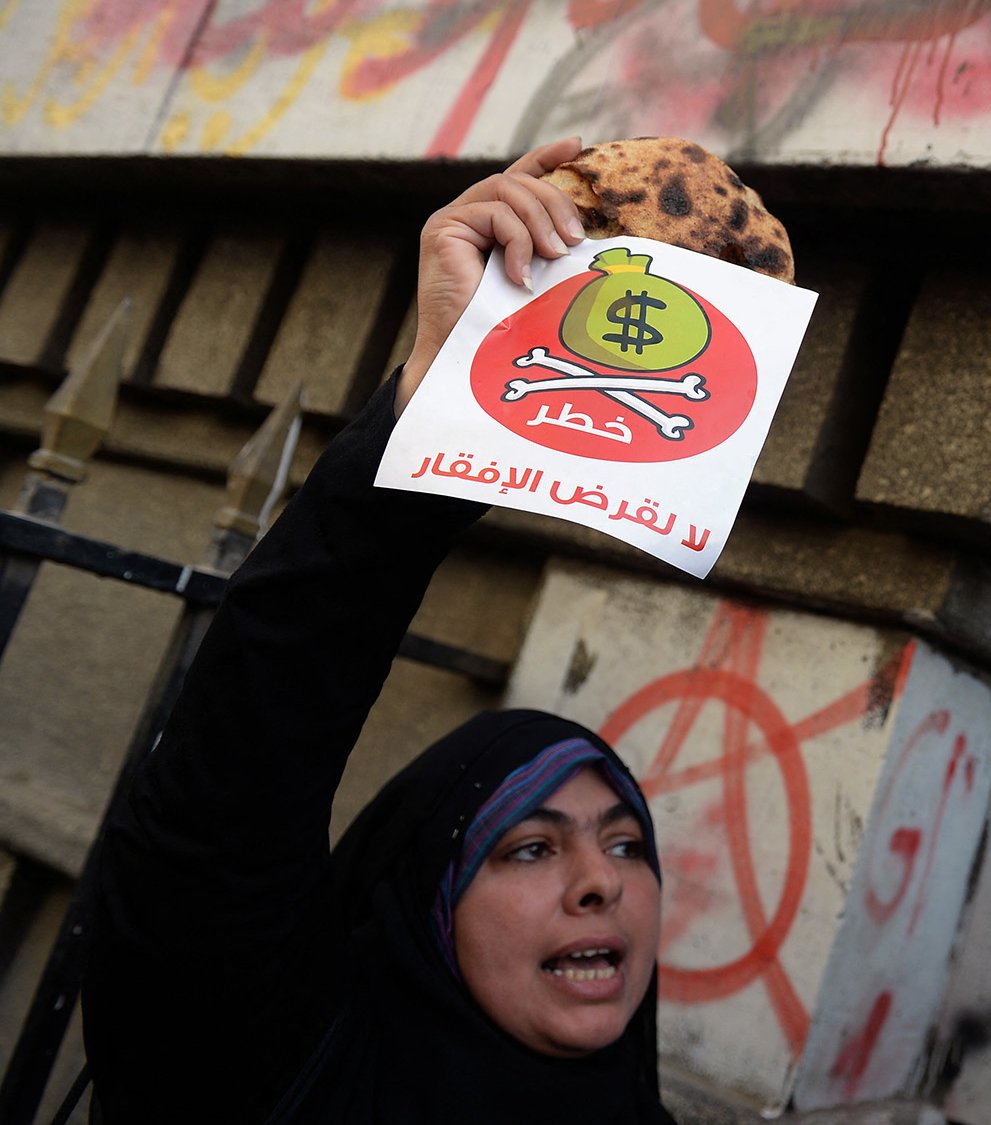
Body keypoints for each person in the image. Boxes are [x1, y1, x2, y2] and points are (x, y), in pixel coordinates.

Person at [83, 139, 679, 1124]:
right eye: (530, 848)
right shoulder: (281, 1069)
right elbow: (231, 789)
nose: (598, 885)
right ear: (427, 899)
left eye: (628, 846)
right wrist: (440, 406)